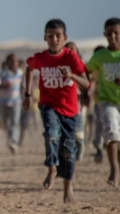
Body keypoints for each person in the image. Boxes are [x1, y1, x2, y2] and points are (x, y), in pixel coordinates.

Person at [23, 20, 89, 202]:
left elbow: (85, 83)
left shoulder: (71, 58)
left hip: (70, 111)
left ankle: (68, 184)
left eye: (58, 36)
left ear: (65, 38)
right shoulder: (41, 58)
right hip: (48, 105)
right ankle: (52, 168)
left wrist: (71, 75)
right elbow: (29, 68)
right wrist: (27, 94)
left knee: (69, 149)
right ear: (45, 38)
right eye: (50, 36)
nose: (54, 39)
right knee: (51, 134)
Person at [87, 17, 120, 191]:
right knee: (111, 133)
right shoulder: (100, 56)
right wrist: (84, 92)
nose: (112, 36)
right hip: (106, 102)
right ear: (104, 35)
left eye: (116, 33)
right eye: (109, 33)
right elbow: (86, 72)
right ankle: (113, 170)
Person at [65, 41, 89, 161]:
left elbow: (86, 84)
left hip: (77, 104)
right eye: (67, 47)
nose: (69, 49)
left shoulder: (80, 66)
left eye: (72, 48)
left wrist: (86, 97)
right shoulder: (60, 65)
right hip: (64, 103)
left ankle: (80, 147)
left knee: (78, 131)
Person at [0, 53, 23, 154]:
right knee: (2, 123)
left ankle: (13, 142)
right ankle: (9, 136)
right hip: (3, 102)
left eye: (16, 61)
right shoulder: (3, 73)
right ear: (8, 62)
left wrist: (27, 97)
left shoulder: (20, 72)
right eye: (12, 61)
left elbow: (24, 85)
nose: (14, 63)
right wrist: (4, 86)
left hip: (16, 102)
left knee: (14, 123)